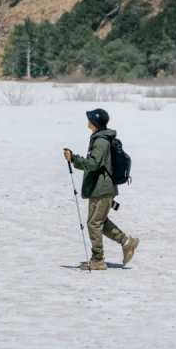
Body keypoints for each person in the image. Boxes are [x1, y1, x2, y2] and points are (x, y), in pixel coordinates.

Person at [64, 108, 139, 271]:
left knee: (94, 223)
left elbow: (93, 164)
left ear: (95, 123)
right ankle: (127, 243)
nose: (88, 121)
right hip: (101, 188)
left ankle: (98, 259)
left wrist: (74, 159)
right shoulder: (101, 138)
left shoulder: (101, 141)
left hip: (102, 189)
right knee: (100, 221)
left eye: (90, 119)